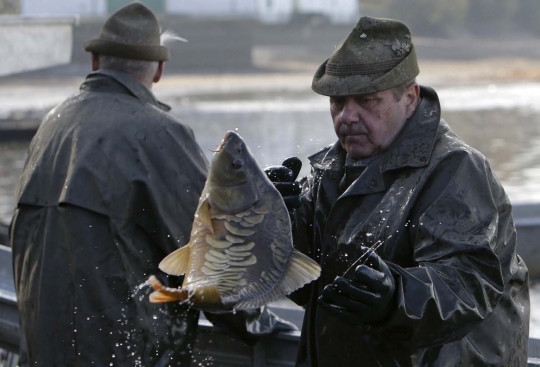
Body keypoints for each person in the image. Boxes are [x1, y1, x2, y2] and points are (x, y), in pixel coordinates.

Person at [9, 3, 293, 366]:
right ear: (158, 71)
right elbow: (212, 265)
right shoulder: (160, 135)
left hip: (41, 351)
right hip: (122, 356)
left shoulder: (51, 126)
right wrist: (262, 324)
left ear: (95, 62)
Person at [266, 16, 530, 366]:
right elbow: (307, 286)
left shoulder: (456, 170)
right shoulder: (329, 172)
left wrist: (396, 296)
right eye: (337, 103)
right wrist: (275, 218)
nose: (346, 117)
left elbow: (469, 284)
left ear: (409, 97)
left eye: (366, 101)